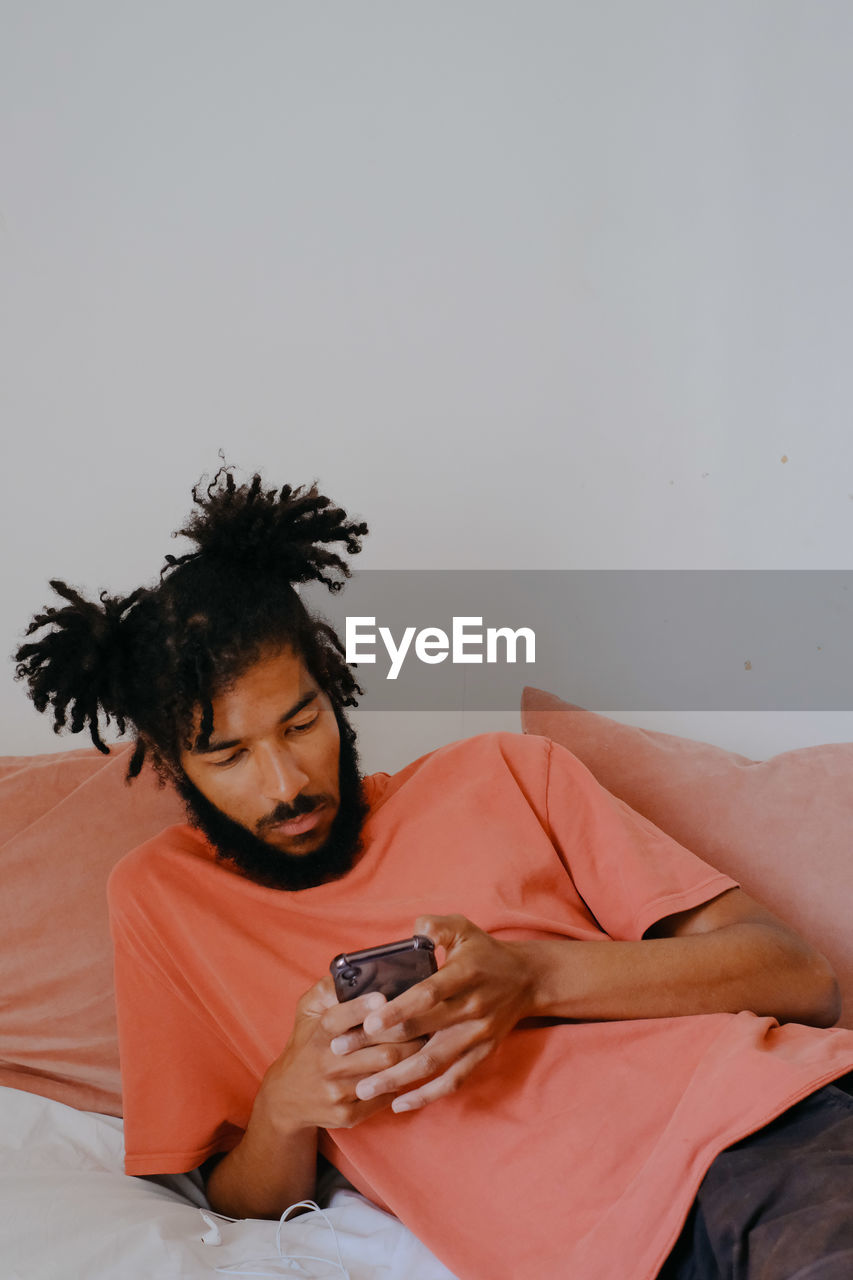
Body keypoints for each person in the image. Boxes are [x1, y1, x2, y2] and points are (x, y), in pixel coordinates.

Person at [15, 468, 853, 1280]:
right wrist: (288, 1104)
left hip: (759, 1136)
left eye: (301, 722)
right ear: (169, 763)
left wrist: (530, 976)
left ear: (334, 690)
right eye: (228, 754)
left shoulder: (502, 772)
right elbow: (234, 1197)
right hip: (587, 1254)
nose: (286, 784)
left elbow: (800, 976)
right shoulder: (161, 898)